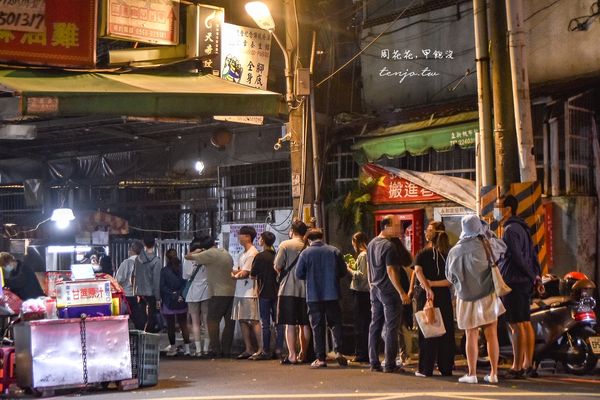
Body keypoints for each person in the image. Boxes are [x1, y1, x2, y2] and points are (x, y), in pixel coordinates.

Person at [446, 215, 505, 384]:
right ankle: (493, 373)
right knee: (491, 334)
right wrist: (488, 233)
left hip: (465, 297)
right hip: (487, 295)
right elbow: (503, 247)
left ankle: (472, 374)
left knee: (470, 335)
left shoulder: (454, 251)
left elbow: (449, 277)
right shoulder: (487, 245)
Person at [498, 195, 542, 379]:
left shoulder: (509, 230)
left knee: (515, 325)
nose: (497, 210)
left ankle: (517, 366)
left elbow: (517, 256)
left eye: (499, 207)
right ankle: (528, 364)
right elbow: (532, 254)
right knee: (525, 323)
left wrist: (533, 276)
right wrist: (535, 277)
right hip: (524, 282)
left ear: (508, 209)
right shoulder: (523, 227)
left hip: (514, 282)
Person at [296, 228, 348, 368]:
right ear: (322, 236)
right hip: (332, 294)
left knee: (317, 326)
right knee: (335, 323)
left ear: (308, 239)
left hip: (313, 295)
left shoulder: (305, 253)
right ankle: (338, 350)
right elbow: (343, 271)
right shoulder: (334, 251)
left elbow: (299, 274)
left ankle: (321, 358)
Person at [367, 215, 411, 373]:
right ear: (386, 226)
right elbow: (391, 270)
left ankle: (374, 362)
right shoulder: (389, 246)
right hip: (389, 291)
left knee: (375, 325)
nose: (400, 229)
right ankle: (390, 364)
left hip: (375, 290)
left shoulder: (372, 244)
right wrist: (401, 292)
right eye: (397, 225)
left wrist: (371, 284)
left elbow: (369, 268)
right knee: (392, 327)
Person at [413, 221, 455, 377]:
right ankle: (446, 367)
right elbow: (451, 280)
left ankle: (426, 368)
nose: (426, 232)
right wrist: (436, 285)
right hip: (444, 295)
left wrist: (428, 287)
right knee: (445, 331)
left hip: (427, 297)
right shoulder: (449, 254)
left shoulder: (423, 253)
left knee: (428, 331)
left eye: (429, 230)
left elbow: (417, 271)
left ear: (435, 233)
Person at [185, 235, 236, 358]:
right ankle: (226, 349)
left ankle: (216, 350)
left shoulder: (209, 254)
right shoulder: (225, 253)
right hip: (231, 291)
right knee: (229, 323)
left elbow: (188, 257)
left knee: (212, 321)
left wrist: (197, 251)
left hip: (218, 293)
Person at [274, 220, 311, 365]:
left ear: (292, 231)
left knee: (290, 324)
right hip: (306, 290)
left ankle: (292, 355)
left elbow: (277, 265)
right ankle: (304, 354)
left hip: (288, 289)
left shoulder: (285, 245)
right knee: (304, 324)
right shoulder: (307, 246)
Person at [250, 231, 284, 360]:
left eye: (260, 238)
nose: (259, 240)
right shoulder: (277, 256)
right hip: (277, 293)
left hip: (263, 292)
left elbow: (253, 275)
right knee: (278, 323)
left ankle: (265, 350)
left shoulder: (259, 257)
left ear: (263, 241)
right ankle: (279, 349)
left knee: (265, 323)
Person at [231, 226, 261, 359]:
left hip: (250, 291)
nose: (238, 237)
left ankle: (260, 348)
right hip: (240, 291)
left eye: (240, 235)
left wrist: (236, 274)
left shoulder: (252, 253)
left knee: (254, 320)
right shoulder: (242, 253)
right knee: (242, 319)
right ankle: (248, 348)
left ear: (248, 236)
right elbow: (237, 270)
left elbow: (244, 273)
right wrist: (237, 273)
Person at [184, 238, 212, 357]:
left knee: (195, 322)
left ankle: (198, 350)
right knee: (206, 321)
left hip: (192, 293)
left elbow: (185, 276)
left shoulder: (188, 259)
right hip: (207, 291)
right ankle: (206, 348)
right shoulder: (205, 257)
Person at [160, 248, 191, 356]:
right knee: (183, 324)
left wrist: (172, 294)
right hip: (181, 300)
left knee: (170, 326)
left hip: (169, 302)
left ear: (166, 258)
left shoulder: (164, 271)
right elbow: (185, 284)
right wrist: (179, 294)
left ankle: (173, 348)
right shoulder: (182, 269)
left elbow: (162, 287)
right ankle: (187, 349)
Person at [389, 236, 414, 366]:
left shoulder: (395, 265)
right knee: (404, 325)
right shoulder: (406, 258)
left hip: (399, 295)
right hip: (406, 295)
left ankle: (404, 354)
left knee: (399, 327)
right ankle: (405, 354)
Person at [347, 232, 370, 363]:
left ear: (356, 241)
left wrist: (349, 268)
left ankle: (361, 354)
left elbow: (360, 275)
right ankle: (364, 352)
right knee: (365, 323)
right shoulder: (368, 254)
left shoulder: (363, 255)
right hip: (366, 293)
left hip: (361, 292)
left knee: (360, 324)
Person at [133, 236, 163, 333]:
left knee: (143, 319)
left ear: (144, 244)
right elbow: (156, 281)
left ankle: (143, 338)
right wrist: (158, 298)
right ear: (154, 244)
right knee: (151, 319)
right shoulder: (156, 261)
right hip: (151, 294)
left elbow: (134, 276)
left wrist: (135, 292)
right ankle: (147, 338)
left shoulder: (137, 259)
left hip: (140, 294)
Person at [115, 240, 145, 330]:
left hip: (127, 296)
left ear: (132, 250)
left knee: (124, 320)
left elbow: (119, 279)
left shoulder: (126, 262)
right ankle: (141, 339)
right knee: (139, 321)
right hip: (141, 296)